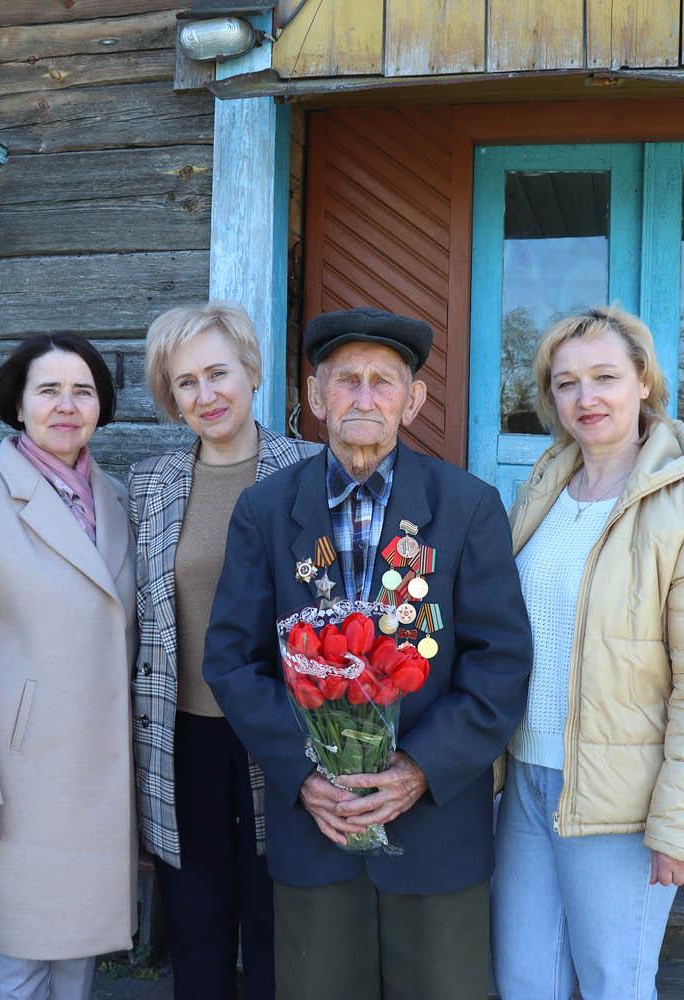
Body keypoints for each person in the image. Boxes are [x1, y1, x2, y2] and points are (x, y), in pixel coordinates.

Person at [203, 306, 533, 1000]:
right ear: (315, 397)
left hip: (436, 831)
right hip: (314, 828)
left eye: (383, 382)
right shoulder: (266, 511)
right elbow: (233, 660)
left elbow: (499, 660)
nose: (363, 396)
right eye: (344, 380)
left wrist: (420, 767)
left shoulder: (467, 506)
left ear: (412, 401)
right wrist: (302, 774)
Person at [494, 306, 684, 999]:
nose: (586, 398)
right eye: (566, 382)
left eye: (605, 376)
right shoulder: (543, 493)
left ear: (643, 382)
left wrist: (682, 825)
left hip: (623, 804)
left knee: (615, 984)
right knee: (525, 982)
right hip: (525, 778)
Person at [128, 302, 320, 1000]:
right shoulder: (150, 485)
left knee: (278, 930)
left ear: (251, 371)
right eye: (186, 382)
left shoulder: (310, 470)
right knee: (198, 932)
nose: (205, 395)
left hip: (284, 735)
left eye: (218, 373)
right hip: (182, 739)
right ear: (170, 397)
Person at [0, 333, 136, 1000]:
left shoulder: (115, 497)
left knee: (79, 952)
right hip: (20, 774)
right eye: (48, 390)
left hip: (102, 771)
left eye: (82, 390)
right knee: (22, 957)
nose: (66, 405)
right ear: (17, 405)